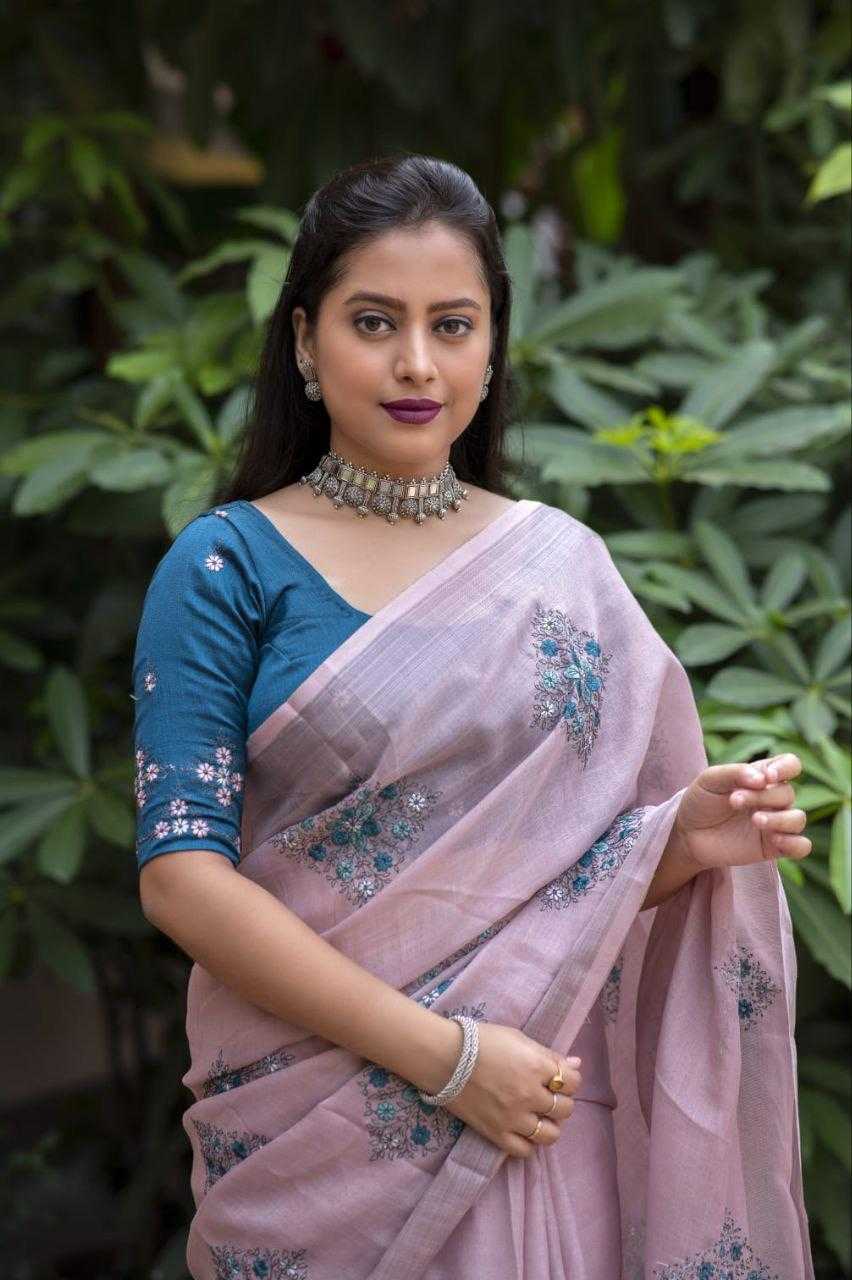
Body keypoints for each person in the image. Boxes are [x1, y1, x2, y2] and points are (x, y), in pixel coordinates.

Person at [132, 154, 815, 1280]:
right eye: (374, 322)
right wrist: (449, 1061)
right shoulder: (226, 566)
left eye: (452, 325)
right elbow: (181, 879)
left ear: (492, 344)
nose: (417, 362)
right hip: (324, 1140)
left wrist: (680, 841)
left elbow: (550, 890)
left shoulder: (561, 568)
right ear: (304, 340)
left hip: (540, 1110)